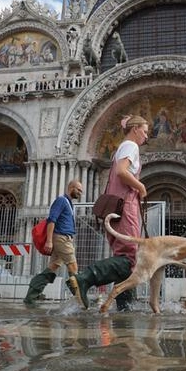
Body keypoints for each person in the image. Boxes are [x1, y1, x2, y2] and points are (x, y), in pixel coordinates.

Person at [67, 115, 149, 311]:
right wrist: (141, 187)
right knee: (129, 258)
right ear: (135, 128)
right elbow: (122, 171)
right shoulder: (131, 146)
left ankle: (125, 306)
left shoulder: (122, 147)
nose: (146, 136)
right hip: (124, 206)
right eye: (145, 131)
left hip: (116, 207)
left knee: (125, 255)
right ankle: (83, 279)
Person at [24, 179, 84, 306]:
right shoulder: (61, 200)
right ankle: (81, 300)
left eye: (81, 191)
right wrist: (49, 241)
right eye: (78, 190)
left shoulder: (69, 203)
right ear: (71, 188)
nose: (80, 193)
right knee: (73, 267)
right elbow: (52, 220)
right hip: (61, 238)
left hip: (64, 238)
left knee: (53, 267)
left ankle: (31, 296)